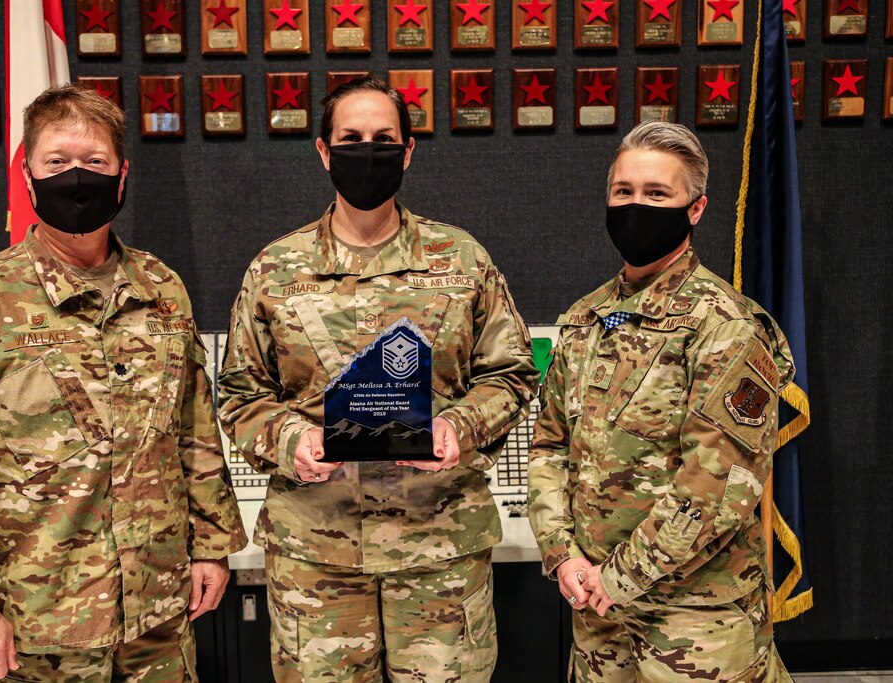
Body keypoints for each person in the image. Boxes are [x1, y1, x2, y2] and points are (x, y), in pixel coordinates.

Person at [0, 84, 247, 683]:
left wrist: (211, 543)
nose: (76, 177)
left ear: (122, 173)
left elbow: (193, 427)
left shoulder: (161, 288)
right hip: (37, 624)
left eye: (95, 162)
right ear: (28, 177)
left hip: (157, 612)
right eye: (57, 162)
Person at [217, 77, 538, 683]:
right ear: (323, 150)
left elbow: (512, 374)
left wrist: (459, 426)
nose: (368, 151)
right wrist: (291, 442)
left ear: (408, 150)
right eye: (351, 138)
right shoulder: (275, 268)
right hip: (318, 551)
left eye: (384, 139)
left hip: (438, 548)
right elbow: (239, 394)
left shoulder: (462, 259)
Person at [527, 121, 795, 682]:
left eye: (657, 194)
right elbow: (550, 446)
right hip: (595, 608)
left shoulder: (725, 325)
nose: (636, 206)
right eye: (624, 192)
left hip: (695, 617)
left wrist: (618, 577)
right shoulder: (584, 318)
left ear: (694, 210)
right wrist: (562, 554)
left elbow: (717, 486)